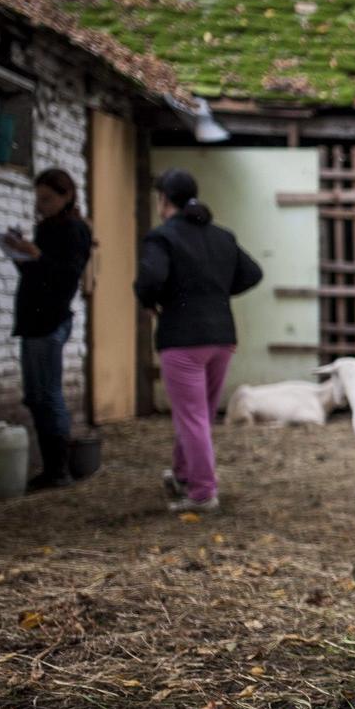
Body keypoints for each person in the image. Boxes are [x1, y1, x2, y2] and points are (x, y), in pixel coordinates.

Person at [134, 169, 263, 514]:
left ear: (163, 199)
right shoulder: (221, 236)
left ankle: (203, 492)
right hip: (221, 337)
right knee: (198, 413)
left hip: (182, 338)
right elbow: (252, 273)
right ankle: (183, 474)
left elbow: (150, 279)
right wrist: (215, 292)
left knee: (192, 415)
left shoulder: (162, 238)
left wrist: (151, 302)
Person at [8, 168, 93, 490]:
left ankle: (58, 470)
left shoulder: (73, 230)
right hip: (34, 317)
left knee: (48, 393)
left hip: (49, 318)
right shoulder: (49, 228)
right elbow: (39, 273)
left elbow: (65, 276)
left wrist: (37, 255)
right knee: (35, 395)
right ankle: (52, 466)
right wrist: (21, 254)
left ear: (66, 195)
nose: (41, 205)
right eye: (38, 199)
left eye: (47, 198)